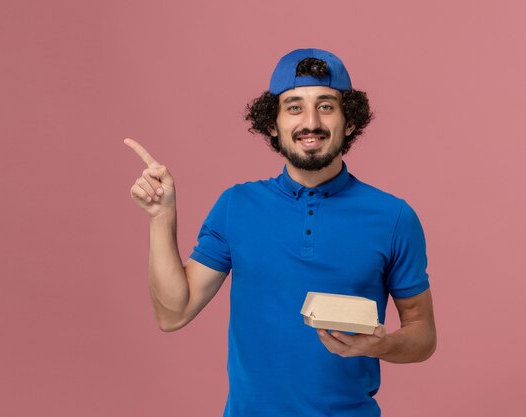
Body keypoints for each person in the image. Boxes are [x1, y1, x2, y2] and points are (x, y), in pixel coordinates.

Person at [124, 48, 436, 417]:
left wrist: (378, 345)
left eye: (325, 106)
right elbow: (173, 314)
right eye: (293, 107)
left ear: (349, 120)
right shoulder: (236, 206)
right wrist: (161, 218)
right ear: (272, 124)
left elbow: (422, 335)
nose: (310, 122)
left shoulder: (393, 217)